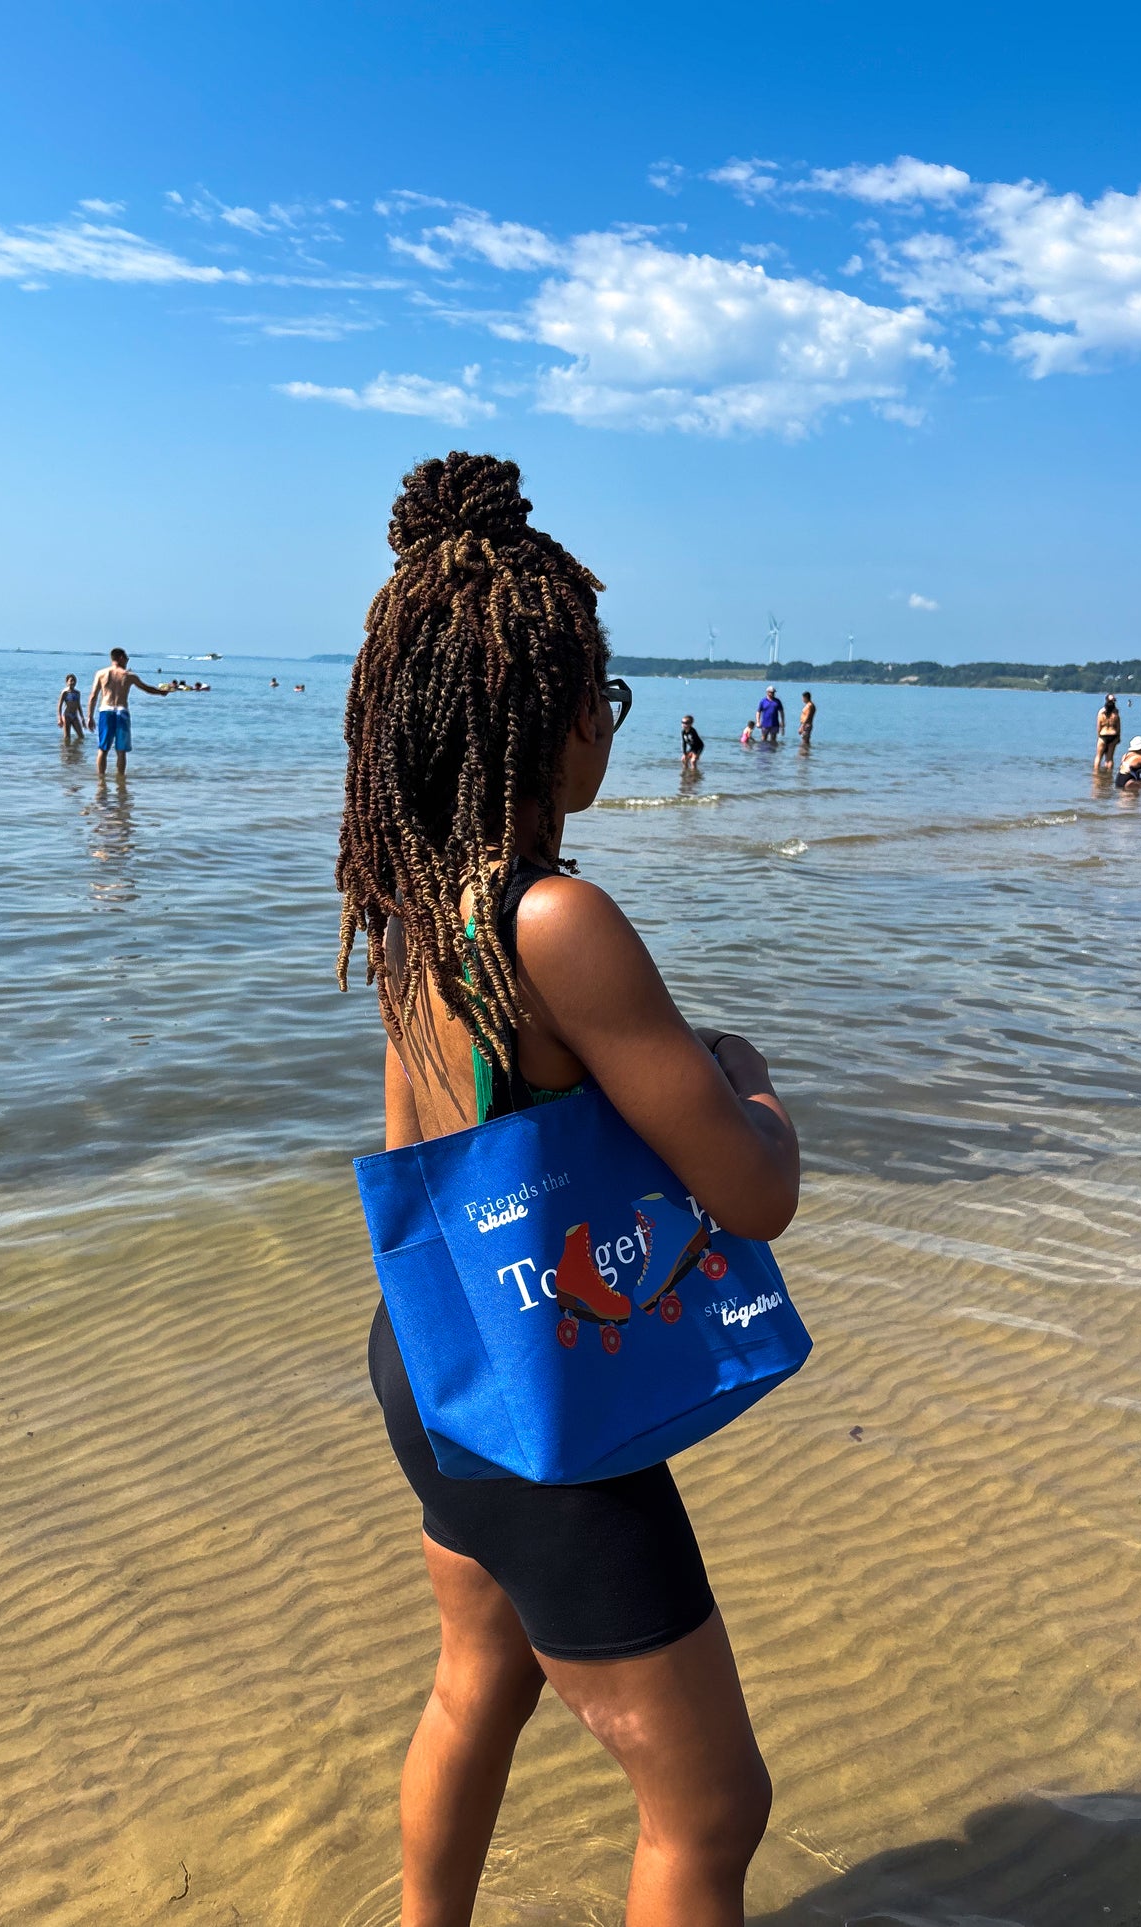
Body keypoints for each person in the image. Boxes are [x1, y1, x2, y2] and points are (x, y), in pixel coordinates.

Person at [337, 452, 800, 1927]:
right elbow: (751, 1190)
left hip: (432, 1352)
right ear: (541, 716)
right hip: (543, 1410)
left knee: (475, 1685)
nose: (608, 724)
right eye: (597, 695)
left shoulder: (416, 905)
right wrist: (754, 1077)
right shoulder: (555, 915)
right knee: (711, 1803)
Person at [85, 647, 170, 776]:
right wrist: (161, 693)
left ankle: (101, 780)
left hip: (106, 711)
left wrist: (89, 717)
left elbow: (93, 696)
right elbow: (146, 688)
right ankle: (121, 782)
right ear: (121, 658)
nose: (127, 661)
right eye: (127, 659)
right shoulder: (129, 676)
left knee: (103, 748)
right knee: (121, 750)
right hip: (121, 712)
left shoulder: (101, 673)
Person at [1093, 694, 1121, 772]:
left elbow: (1098, 726)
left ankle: (1096, 774)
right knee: (1109, 758)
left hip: (1103, 735)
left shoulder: (1101, 712)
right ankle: (1108, 775)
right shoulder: (1116, 712)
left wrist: (1099, 736)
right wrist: (1118, 737)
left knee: (1098, 757)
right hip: (1113, 735)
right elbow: (1118, 726)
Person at [56, 674, 85, 744]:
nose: (73, 683)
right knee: (67, 737)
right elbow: (59, 705)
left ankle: (76, 751)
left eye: (74, 681)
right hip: (67, 716)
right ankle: (66, 753)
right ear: (67, 682)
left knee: (81, 736)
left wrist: (82, 718)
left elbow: (79, 705)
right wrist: (59, 718)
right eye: (71, 681)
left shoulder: (77, 693)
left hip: (74, 715)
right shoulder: (65, 692)